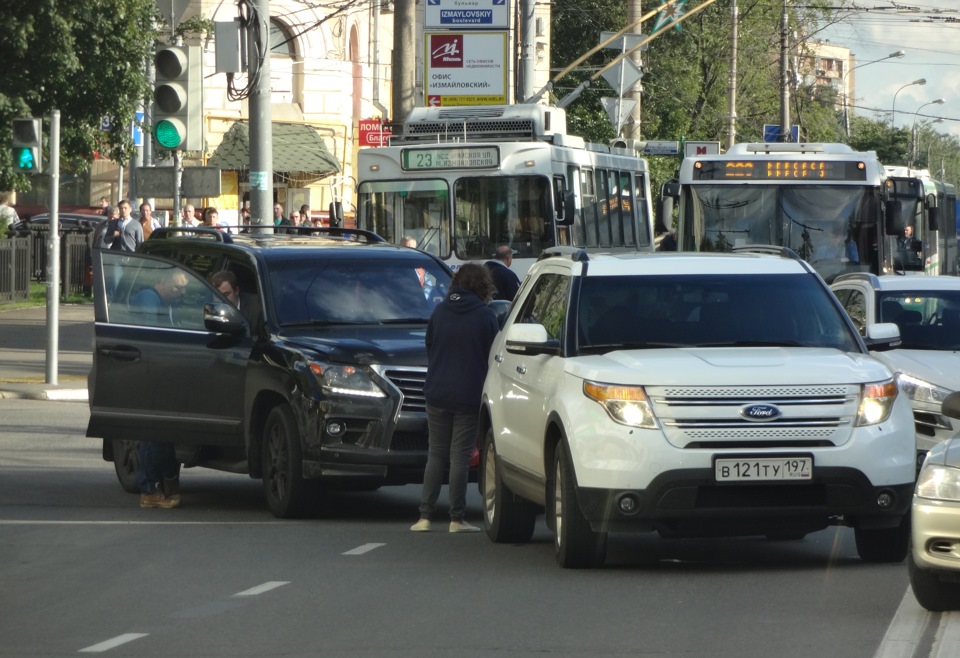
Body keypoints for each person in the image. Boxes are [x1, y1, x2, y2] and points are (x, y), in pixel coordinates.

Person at [411, 263, 499, 534]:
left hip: (436, 391)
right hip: (468, 394)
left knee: (435, 454)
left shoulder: (440, 311)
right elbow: (494, 356)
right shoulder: (485, 316)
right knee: (460, 457)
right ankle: (456, 518)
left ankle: (424, 517)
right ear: (482, 286)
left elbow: (430, 345)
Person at [130, 268, 189, 508]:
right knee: (153, 434)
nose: (180, 293)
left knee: (159, 433)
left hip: (162, 376)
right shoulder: (148, 299)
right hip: (150, 376)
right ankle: (149, 488)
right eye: (177, 287)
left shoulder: (164, 303)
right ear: (162, 284)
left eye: (184, 288)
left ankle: (156, 485)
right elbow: (151, 339)